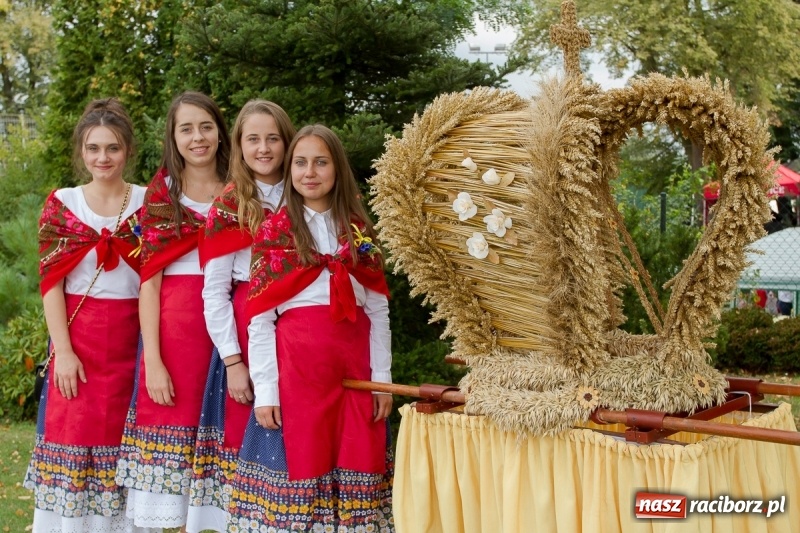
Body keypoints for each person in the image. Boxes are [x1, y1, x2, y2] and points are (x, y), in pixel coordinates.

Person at [227, 125, 395, 532]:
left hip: (354, 374)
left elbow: (378, 310)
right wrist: (266, 390)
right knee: (303, 463)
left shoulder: (357, 233)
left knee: (355, 458)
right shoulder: (276, 232)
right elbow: (260, 320)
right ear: (290, 170)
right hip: (298, 376)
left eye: (321, 162)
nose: (310, 172)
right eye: (300, 162)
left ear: (337, 169)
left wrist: (382, 379)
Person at [24, 98, 148, 532]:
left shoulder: (149, 205)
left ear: (128, 150)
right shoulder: (63, 203)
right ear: (81, 151)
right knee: (72, 437)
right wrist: (65, 352)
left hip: (133, 344)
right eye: (93, 148)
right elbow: (50, 284)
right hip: (78, 342)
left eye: (112, 148)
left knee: (123, 446)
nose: (103, 158)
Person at [115, 91, 231, 531]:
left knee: (228, 468)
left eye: (205, 126)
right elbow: (148, 284)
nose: (197, 137)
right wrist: (154, 362)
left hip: (229, 338)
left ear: (220, 131)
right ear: (173, 136)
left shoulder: (241, 189)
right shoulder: (163, 196)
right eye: (186, 128)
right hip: (175, 339)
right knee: (173, 480)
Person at [187, 100, 296, 532]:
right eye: (253, 139)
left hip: (298, 328)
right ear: (239, 145)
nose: (264, 148)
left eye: (273, 138)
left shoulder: (305, 192)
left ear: (287, 142)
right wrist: (233, 362)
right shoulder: (230, 205)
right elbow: (213, 292)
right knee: (249, 439)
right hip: (247, 333)